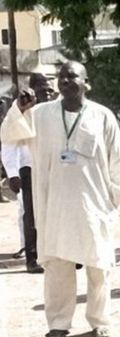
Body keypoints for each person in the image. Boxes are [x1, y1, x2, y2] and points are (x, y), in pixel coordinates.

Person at [1, 61, 120, 337]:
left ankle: (100, 319)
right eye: (62, 77)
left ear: (86, 82)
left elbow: (117, 160)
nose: (66, 81)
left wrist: (113, 199)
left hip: (93, 204)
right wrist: (20, 109)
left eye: (73, 76)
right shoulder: (41, 114)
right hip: (54, 204)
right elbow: (10, 134)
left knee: (98, 264)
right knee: (57, 264)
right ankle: (58, 323)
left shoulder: (101, 116)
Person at [1, 73, 54, 273]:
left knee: (58, 212)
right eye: (43, 89)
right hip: (29, 169)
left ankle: (62, 254)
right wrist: (13, 173)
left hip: (54, 169)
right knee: (31, 215)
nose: (47, 93)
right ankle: (32, 258)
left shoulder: (58, 109)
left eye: (50, 89)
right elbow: (8, 141)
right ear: (33, 89)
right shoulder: (20, 111)